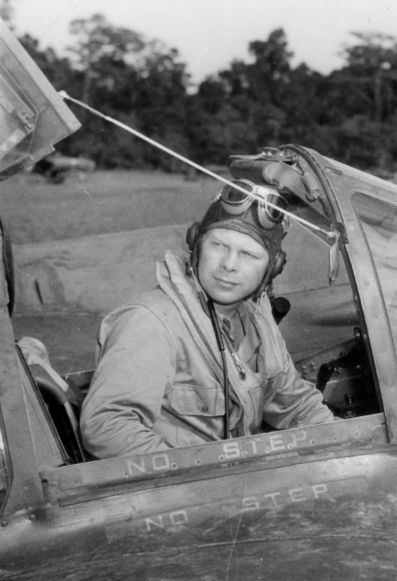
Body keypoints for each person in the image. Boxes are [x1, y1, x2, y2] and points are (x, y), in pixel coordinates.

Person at [80, 178, 335, 458]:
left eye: (248, 254)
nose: (229, 265)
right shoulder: (150, 322)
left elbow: (298, 405)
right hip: (187, 480)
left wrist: (341, 444)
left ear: (273, 267)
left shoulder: (257, 318)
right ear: (197, 245)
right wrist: (201, 472)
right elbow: (107, 427)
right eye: (219, 245)